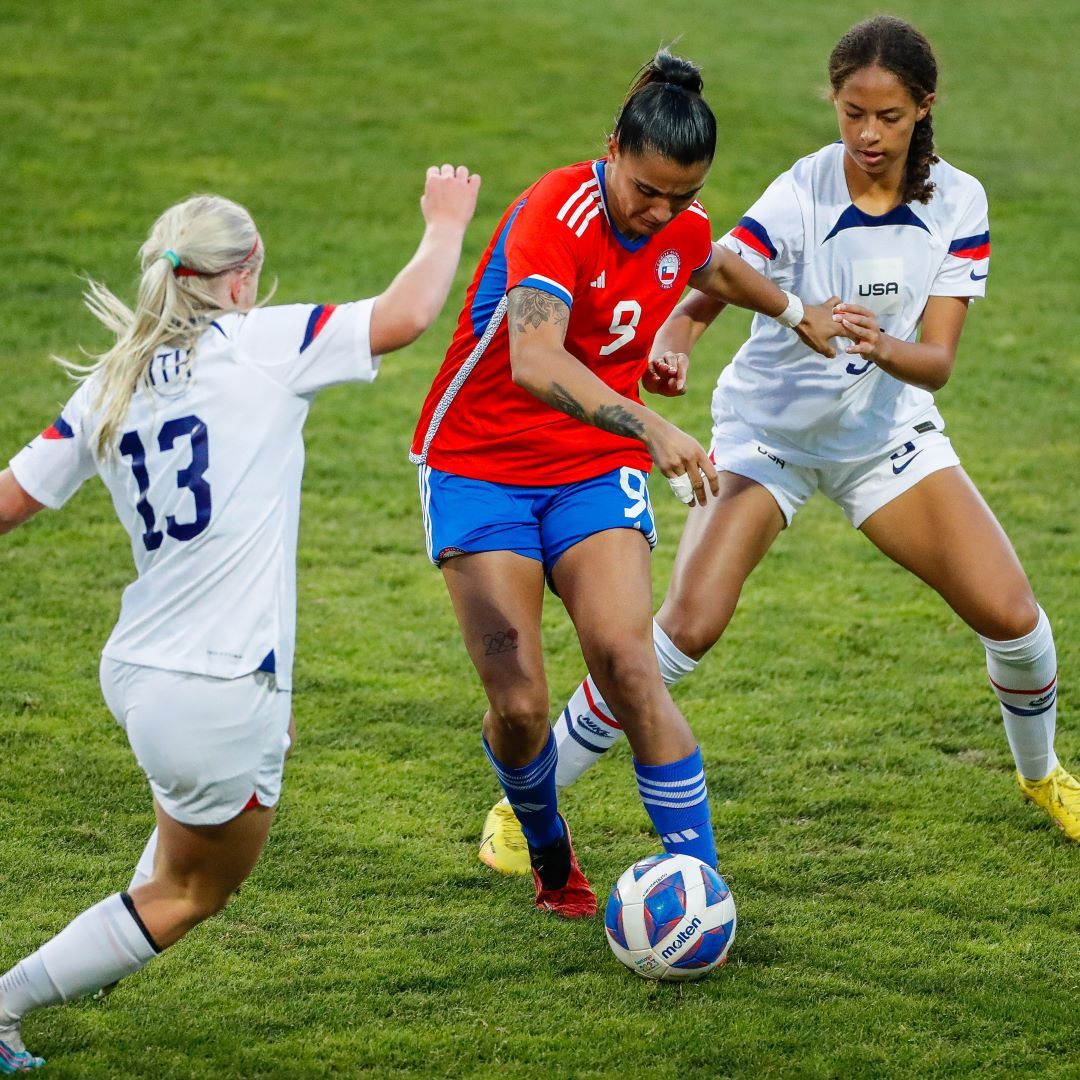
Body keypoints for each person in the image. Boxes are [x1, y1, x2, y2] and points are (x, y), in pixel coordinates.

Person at [478, 15, 1079, 877]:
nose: (867, 136)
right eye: (851, 114)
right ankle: (522, 800)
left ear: (924, 109)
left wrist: (870, 344)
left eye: (889, 118)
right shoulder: (802, 191)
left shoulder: (960, 203)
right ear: (833, 105)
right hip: (769, 437)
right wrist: (680, 333)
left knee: (1014, 619)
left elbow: (938, 363)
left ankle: (1043, 775)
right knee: (685, 626)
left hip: (885, 437)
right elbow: (715, 264)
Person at [0, 166, 480, 1071]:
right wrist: (445, 220)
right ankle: (10, 1004)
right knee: (192, 891)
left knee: (189, 832)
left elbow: (10, 499)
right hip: (214, 687)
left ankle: (98, 949)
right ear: (243, 273)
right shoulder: (261, 340)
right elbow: (408, 313)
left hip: (144, 669)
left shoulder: (109, 380)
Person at [411, 49, 841, 916]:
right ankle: (546, 847)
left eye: (682, 196)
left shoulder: (677, 222)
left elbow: (710, 264)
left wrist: (798, 314)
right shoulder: (554, 212)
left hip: (589, 466)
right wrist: (651, 424)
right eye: (646, 190)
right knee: (524, 707)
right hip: (478, 467)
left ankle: (707, 890)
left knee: (628, 665)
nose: (661, 213)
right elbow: (534, 359)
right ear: (613, 148)